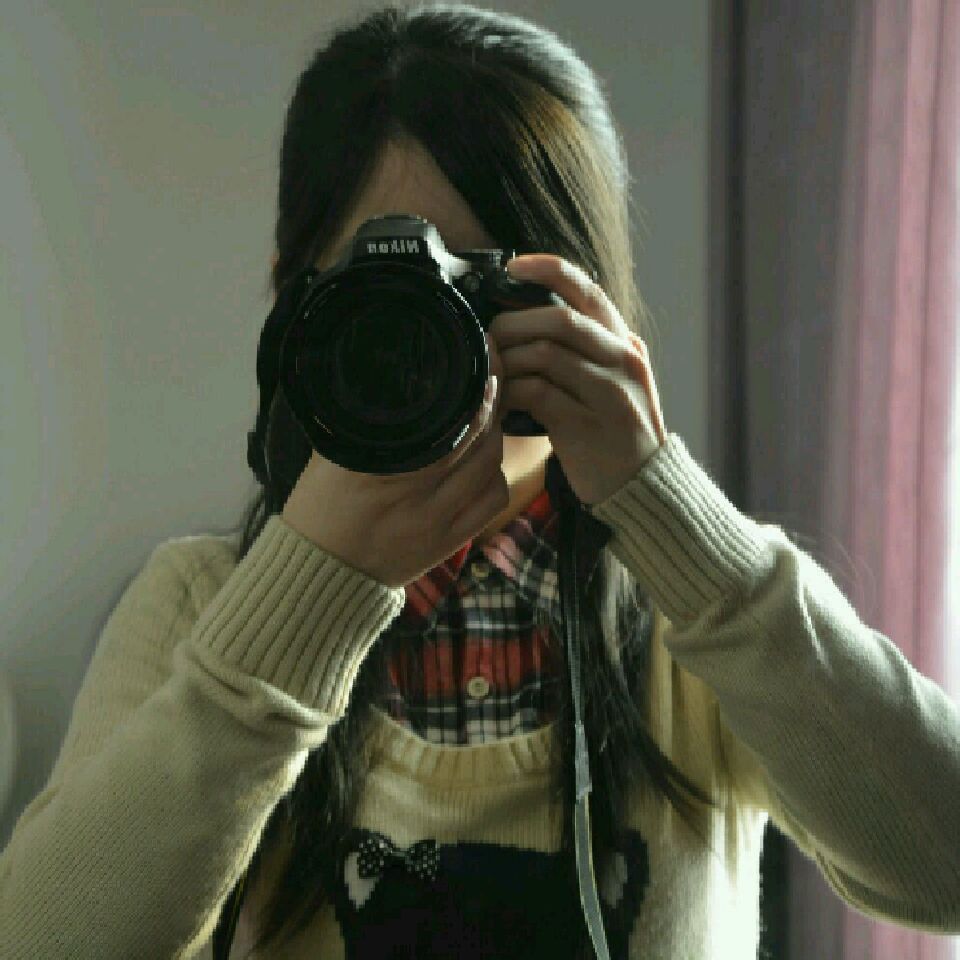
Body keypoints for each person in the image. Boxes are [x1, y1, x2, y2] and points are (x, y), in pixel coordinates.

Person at [2, 4, 959, 959]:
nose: (443, 352)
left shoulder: (696, 629)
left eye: (486, 294)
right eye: (397, 299)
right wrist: (304, 596)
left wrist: (668, 511)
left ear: (592, 314)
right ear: (296, 307)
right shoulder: (198, 607)